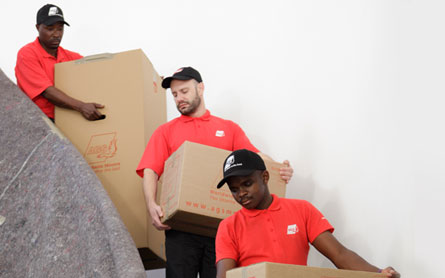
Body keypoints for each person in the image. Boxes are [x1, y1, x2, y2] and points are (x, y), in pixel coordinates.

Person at [136, 66, 294, 278]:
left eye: (184, 91)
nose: (178, 98)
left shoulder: (228, 128)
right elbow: (150, 170)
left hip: (223, 229)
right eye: (174, 94)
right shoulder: (165, 131)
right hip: (181, 228)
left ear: (200, 88)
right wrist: (151, 205)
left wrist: (278, 168)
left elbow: (255, 156)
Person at [215, 149, 401, 278]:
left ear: (265, 177)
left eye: (247, 184)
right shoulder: (228, 227)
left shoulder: (301, 210)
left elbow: (339, 254)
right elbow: (224, 275)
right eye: (234, 189)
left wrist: (379, 274)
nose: (241, 193)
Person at [15, 4, 104, 122]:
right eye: (50, 29)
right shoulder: (27, 54)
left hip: (67, 119)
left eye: (60, 28)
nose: (57, 34)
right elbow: (47, 92)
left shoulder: (71, 57)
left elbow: (98, 74)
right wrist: (81, 106)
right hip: (38, 122)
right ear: (37, 27)